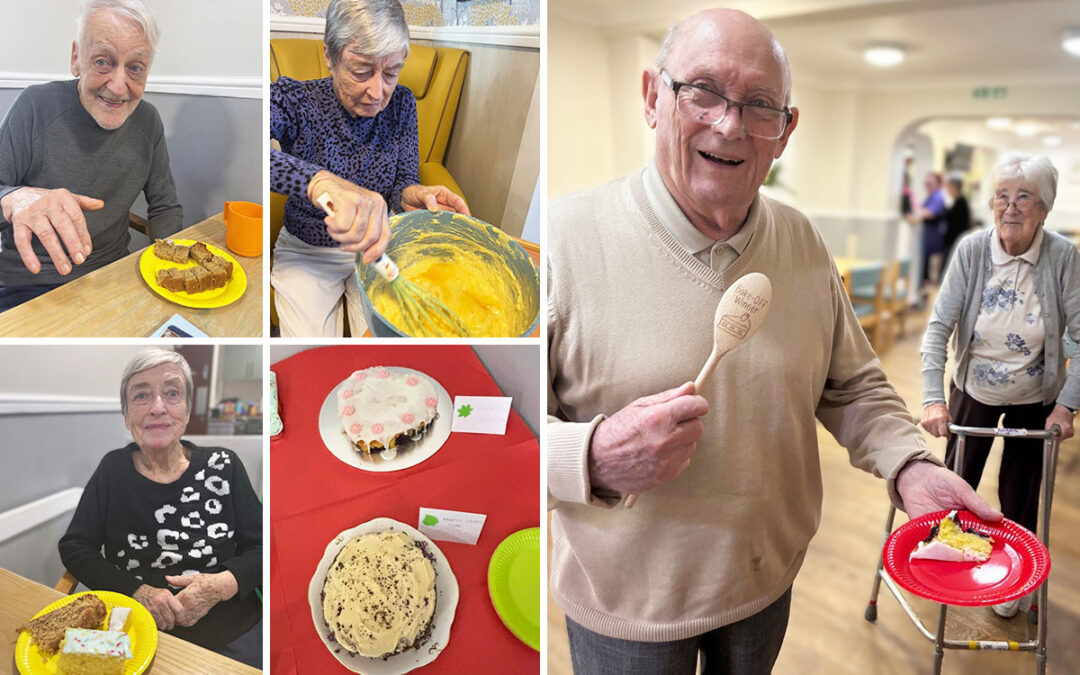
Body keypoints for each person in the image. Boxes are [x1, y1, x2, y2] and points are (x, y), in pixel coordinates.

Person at [547, 9, 999, 674]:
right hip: (627, 604)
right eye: (702, 91)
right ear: (651, 97)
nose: (730, 124)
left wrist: (910, 464)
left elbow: (852, 384)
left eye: (760, 104)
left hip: (766, 582)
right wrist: (589, 456)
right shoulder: (562, 243)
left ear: (784, 131)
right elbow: (506, 432)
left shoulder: (801, 242)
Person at [920, 153, 1078, 618]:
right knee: (957, 483)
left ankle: (1016, 576)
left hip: (1037, 395)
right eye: (1002, 196)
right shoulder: (972, 250)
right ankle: (950, 554)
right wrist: (932, 398)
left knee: (1020, 493)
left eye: (1023, 197)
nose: (1010, 207)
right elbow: (938, 328)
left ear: (1044, 208)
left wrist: (1066, 406)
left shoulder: (1063, 257)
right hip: (973, 388)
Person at [269, 0, 469, 337]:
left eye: (391, 72)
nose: (378, 92)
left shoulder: (402, 103)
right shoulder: (295, 100)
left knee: (386, 345)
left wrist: (411, 193)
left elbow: (403, 180)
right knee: (316, 352)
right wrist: (319, 182)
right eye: (361, 71)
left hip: (379, 245)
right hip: (308, 252)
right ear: (329, 56)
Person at [59, 348, 262, 667]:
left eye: (172, 393)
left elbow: (263, 547)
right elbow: (75, 547)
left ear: (187, 410)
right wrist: (138, 592)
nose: (157, 407)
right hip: (134, 632)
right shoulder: (113, 469)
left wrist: (220, 586)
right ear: (127, 416)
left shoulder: (224, 465)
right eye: (141, 395)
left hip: (232, 630)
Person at [0, 0, 182, 312]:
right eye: (102, 62)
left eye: (135, 68)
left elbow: (165, 207)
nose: (118, 87)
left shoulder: (149, 121)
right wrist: (12, 198)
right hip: (27, 287)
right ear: (76, 59)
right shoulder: (33, 106)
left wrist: (174, 271)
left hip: (113, 276)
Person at [911, 171, 948, 289]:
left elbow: (929, 213)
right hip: (928, 239)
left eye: (930, 183)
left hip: (933, 240)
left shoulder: (937, 196)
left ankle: (928, 293)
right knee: (926, 271)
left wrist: (916, 214)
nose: (927, 185)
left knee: (931, 274)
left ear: (938, 184)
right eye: (926, 183)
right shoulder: (931, 196)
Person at [942, 172, 971, 269]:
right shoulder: (957, 202)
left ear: (954, 187)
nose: (948, 190)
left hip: (955, 242)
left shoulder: (961, 203)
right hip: (953, 241)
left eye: (949, 187)